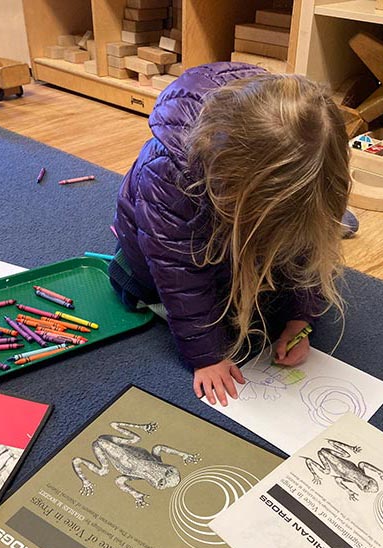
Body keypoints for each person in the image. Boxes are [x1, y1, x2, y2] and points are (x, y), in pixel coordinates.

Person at [109, 62, 352, 406]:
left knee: (290, 254)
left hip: (234, 227)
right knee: (142, 285)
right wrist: (206, 357)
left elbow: (310, 251)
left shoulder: (292, 136)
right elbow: (177, 272)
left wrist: (301, 320)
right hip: (159, 242)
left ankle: (268, 242)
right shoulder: (168, 174)